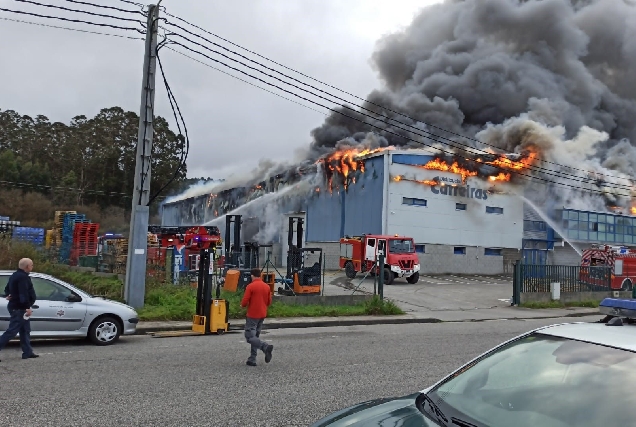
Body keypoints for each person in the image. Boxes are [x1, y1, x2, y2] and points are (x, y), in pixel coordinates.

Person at [0, 258, 38, 362]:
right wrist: (27, 308)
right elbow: (23, 293)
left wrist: (7, 294)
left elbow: (7, 288)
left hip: (16, 306)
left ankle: (27, 352)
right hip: (19, 308)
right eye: (32, 265)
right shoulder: (22, 277)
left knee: (25, 330)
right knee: (12, 331)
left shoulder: (15, 275)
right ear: (27, 266)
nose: (32, 266)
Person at [240, 268, 274, 367]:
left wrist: (242, 306)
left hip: (252, 315)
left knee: (249, 336)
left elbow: (245, 300)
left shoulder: (250, 286)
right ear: (260, 275)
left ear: (252, 275)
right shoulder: (267, 287)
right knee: (255, 337)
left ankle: (265, 347)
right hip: (262, 314)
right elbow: (269, 302)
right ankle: (252, 359)